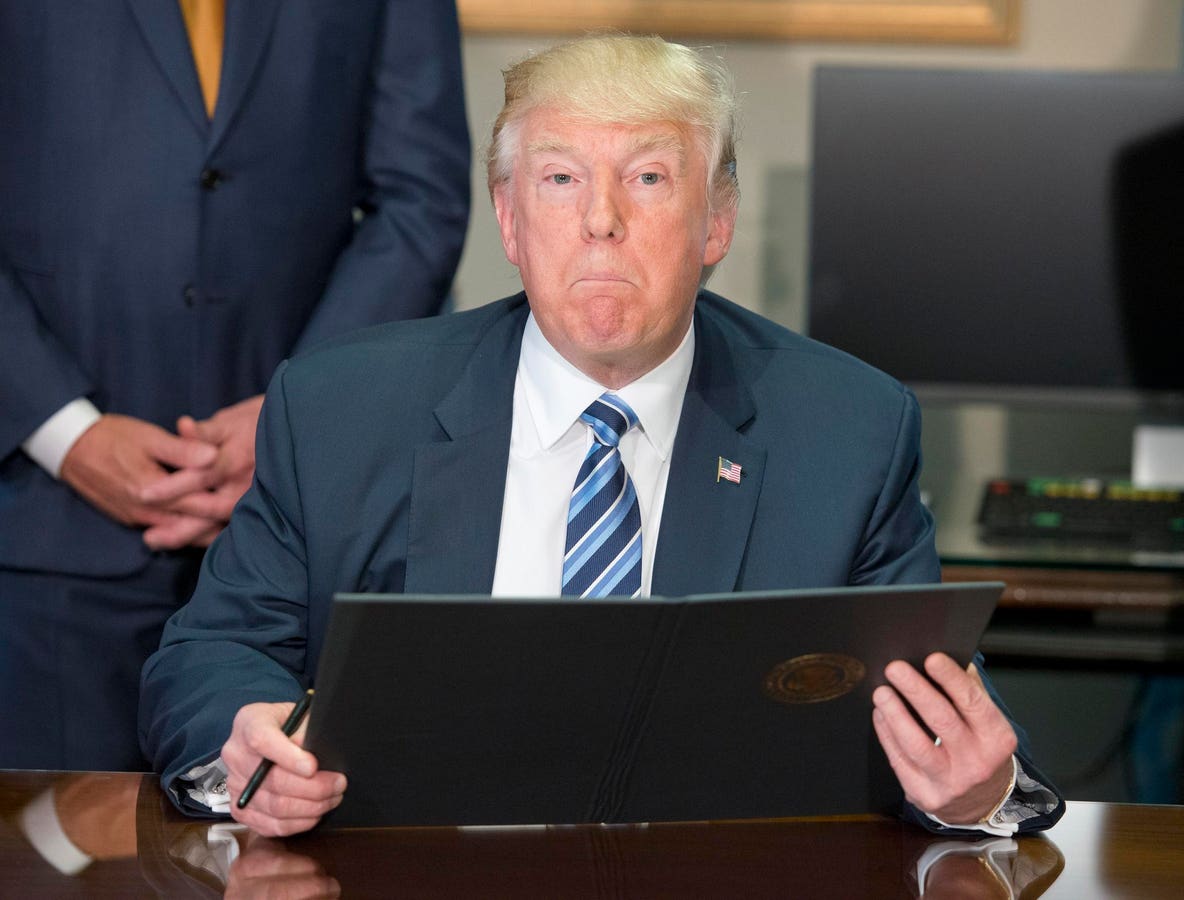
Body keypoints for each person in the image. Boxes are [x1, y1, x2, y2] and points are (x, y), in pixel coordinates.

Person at [140, 34, 1063, 837]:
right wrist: (247, 747)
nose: (601, 220)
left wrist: (975, 792)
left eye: (649, 178)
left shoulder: (847, 429)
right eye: (560, 179)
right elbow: (210, 657)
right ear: (509, 218)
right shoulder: (341, 409)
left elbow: (939, 710)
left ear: (717, 221)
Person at [0, 1, 470, 771]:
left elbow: (420, 200)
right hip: (42, 529)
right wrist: (63, 430)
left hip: (298, 549)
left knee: (288, 829)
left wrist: (299, 415)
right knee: (49, 842)